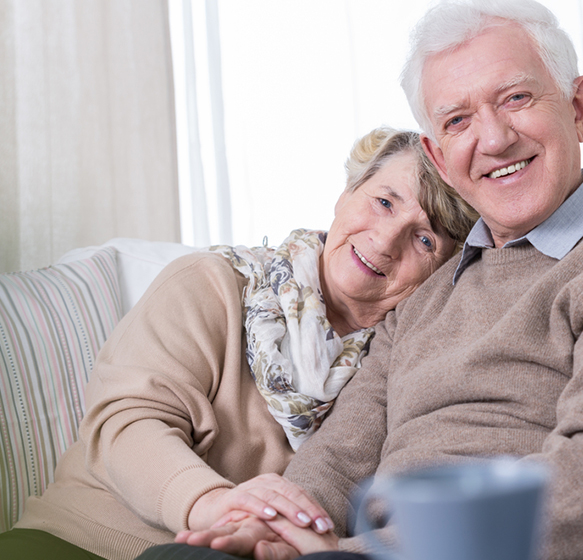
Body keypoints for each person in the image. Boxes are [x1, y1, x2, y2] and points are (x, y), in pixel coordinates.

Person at [143, 0, 583, 558]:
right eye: (458, 119)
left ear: (579, 108)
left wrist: (361, 551)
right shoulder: (430, 290)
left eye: (516, 97)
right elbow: (340, 456)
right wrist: (269, 529)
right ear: (440, 158)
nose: (494, 139)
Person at [0, 127, 478, 560]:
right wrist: (213, 503)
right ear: (346, 192)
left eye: (424, 240)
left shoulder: (404, 365)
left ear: (441, 272)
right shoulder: (214, 285)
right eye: (384, 202)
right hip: (75, 541)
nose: (385, 239)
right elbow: (126, 424)